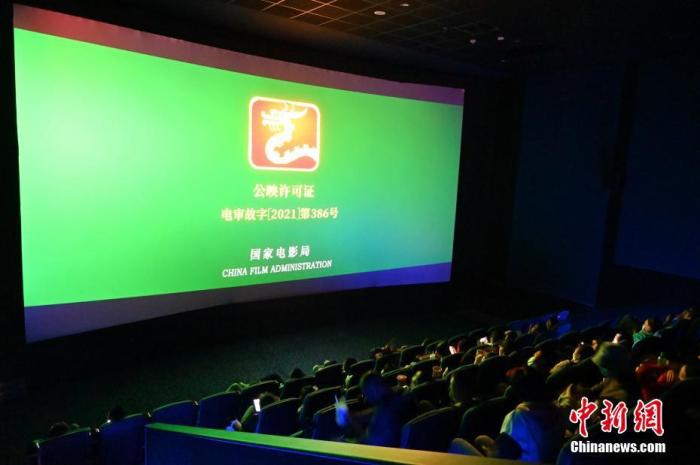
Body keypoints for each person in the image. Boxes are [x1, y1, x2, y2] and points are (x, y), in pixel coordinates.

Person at [336, 372, 416, 447]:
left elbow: (368, 445)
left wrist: (344, 442)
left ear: (373, 389)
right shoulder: (399, 398)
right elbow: (375, 411)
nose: (366, 397)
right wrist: (357, 416)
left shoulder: (383, 415)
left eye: (366, 392)